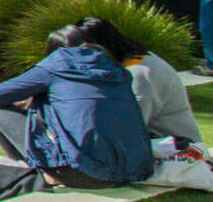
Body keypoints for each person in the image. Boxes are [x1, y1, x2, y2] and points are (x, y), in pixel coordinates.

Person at [0, 30, 154, 187]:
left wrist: (36, 95)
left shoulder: (55, 65)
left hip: (83, 173)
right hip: (134, 171)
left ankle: (34, 170)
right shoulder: (117, 71)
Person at [70, 18, 203, 146]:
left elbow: (129, 129)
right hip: (160, 141)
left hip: (177, 150)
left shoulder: (139, 75)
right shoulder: (135, 57)